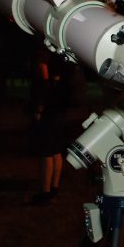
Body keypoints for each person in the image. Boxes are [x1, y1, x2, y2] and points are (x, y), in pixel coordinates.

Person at [26, 46, 84, 205]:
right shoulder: (60, 53)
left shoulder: (43, 55)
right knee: (56, 150)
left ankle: (45, 192)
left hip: (49, 109)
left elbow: (43, 81)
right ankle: (54, 187)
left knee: (46, 151)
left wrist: (39, 107)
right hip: (60, 108)